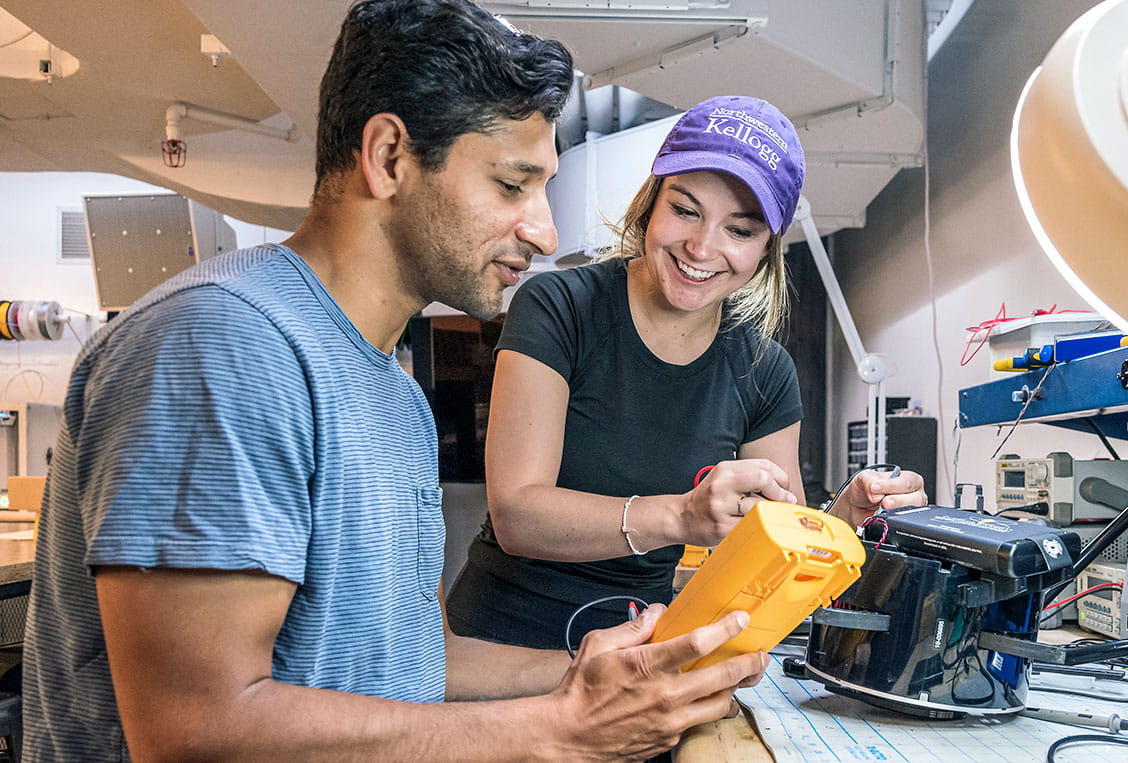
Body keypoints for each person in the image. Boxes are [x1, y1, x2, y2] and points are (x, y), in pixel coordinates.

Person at [21, 2, 766, 760]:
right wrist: (557, 731)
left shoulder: (395, 393)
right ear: (388, 157)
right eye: (513, 185)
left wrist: (591, 675)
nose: (544, 231)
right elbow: (199, 732)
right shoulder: (225, 343)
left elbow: (412, 664)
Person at [444, 95, 929, 650]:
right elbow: (517, 515)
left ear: (767, 247)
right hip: (501, 645)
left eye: (739, 230)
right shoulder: (560, 307)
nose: (701, 247)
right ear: (652, 201)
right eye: (686, 209)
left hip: (644, 647)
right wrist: (681, 516)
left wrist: (847, 517)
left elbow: (774, 546)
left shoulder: (764, 371)